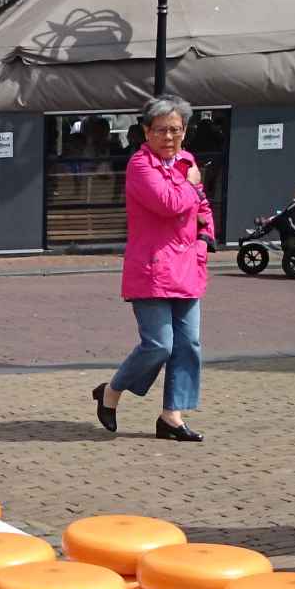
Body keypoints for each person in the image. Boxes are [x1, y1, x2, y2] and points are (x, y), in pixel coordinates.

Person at [92, 95, 212, 443]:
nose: (169, 137)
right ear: (146, 132)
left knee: (188, 344)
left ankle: (172, 416)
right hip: (152, 267)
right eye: (161, 130)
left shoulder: (187, 161)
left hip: (187, 266)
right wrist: (192, 184)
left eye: (175, 129)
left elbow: (202, 208)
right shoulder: (140, 165)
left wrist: (205, 239)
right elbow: (168, 203)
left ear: (184, 131)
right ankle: (111, 390)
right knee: (159, 345)